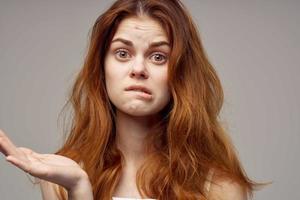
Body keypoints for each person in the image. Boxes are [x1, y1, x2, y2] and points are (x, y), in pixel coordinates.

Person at [0, 0, 262, 199]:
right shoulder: (62, 177)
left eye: (158, 57)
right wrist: (79, 188)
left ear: (181, 73)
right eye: (123, 53)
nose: (138, 69)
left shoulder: (218, 187)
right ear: (102, 68)